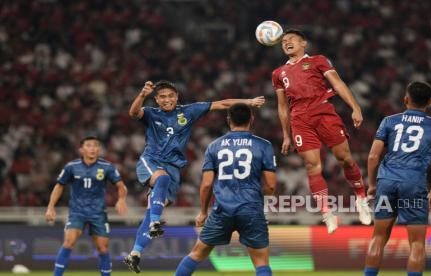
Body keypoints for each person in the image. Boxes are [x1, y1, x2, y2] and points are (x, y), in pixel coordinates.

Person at [124, 81, 265, 273]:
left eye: (170, 96)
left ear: (177, 96)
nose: (167, 100)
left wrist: (248, 101)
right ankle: (156, 222)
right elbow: (133, 113)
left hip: (174, 168)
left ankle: (135, 254)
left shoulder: (188, 112)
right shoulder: (150, 113)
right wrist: (142, 95)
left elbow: (222, 104)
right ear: (156, 100)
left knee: (151, 211)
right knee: (161, 180)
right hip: (152, 161)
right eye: (162, 97)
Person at [271, 28, 371, 233]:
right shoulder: (278, 73)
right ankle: (327, 213)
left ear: (303, 43)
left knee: (345, 159)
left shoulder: (318, 60)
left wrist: (355, 107)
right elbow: (282, 106)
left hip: (323, 113)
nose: (287, 42)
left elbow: (338, 83)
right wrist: (286, 134)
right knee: (311, 166)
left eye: (291, 39)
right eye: (283, 41)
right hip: (299, 119)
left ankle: (361, 199)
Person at [174, 103, 276, 276]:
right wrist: (257, 195)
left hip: (222, 209)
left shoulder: (214, 146)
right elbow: (271, 185)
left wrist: (203, 212)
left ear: (229, 120)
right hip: (251, 209)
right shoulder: (263, 145)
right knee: (261, 262)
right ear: (251, 119)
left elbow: (206, 184)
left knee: (197, 253)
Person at [364, 81, 431, 276]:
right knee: (417, 244)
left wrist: (372, 185)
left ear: (405, 100)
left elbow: (372, 156)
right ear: (430, 101)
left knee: (377, 238)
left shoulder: (389, 121)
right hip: (414, 183)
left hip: (386, 182)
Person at [45, 136, 128, 276]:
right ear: (81, 149)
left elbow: (121, 186)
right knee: (69, 242)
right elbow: (59, 186)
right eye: (89, 145)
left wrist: (121, 199)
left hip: (98, 213)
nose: (92, 148)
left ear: (99, 149)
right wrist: (50, 207)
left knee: (102, 248)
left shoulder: (107, 167)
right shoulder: (71, 167)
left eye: (95, 145)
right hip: (77, 212)